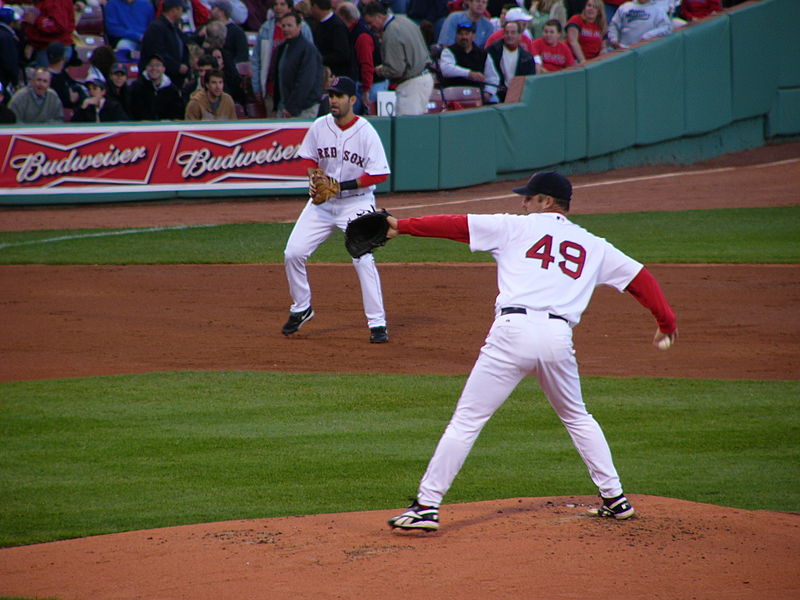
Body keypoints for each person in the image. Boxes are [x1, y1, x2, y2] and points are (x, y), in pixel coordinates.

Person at [385, 171, 678, 532]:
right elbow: (642, 280)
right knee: (577, 416)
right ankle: (615, 499)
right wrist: (666, 324)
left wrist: (401, 225)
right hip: (557, 339)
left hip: (512, 334)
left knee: (467, 421)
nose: (523, 203)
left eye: (529, 197)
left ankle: (427, 506)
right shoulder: (595, 245)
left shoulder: (514, 227)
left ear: (547, 201)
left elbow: (455, 225)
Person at [282, 75, 391, 343]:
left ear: (352, 100)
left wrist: (339, 186)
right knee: (292, 253)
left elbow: (379, 175)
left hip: (357, 203)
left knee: (362, 258)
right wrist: (315, 177)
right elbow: (308, 156)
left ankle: (378, 324)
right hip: (322, 205)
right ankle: (302, 307)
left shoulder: (365, 131)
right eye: (331, 95)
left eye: (339, 96)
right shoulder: (320, 126)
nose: (333, 100)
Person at [363, 2, 434, 117]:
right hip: (424, 78)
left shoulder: (391, 32)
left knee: (408, 127)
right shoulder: (405, 20)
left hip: (412, 85)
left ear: (379, 17)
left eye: (370, 23)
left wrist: (381, 70)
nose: (370, 27)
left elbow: (396, 70)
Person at [250, 0, 313, 117]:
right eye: (275, 4)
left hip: (295, 92)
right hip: (271, 90)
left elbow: (310, 61)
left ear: (290, 8)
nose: (278, 7)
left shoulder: (303, 28)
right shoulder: (265, 29)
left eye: (282, 4)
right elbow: (256, 60)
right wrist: (257, 87)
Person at [336, 1, 385, 113]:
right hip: (367, 83)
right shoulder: (354, 31)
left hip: (373, 85)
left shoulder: (361, 35)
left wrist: (366, 90)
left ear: (344, 16)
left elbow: (367, 64)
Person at [274, 11, 323, 118]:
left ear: (299, 27)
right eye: (283, 26)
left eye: (289, 25)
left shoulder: (308, 50)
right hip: (285, 107)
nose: (286, 29)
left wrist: (292, 108)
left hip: (304, 109)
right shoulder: (282, 48)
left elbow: (305, 82)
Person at [439, 21, 500, 104]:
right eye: (461, 34)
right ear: (456, 36)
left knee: (494, 99)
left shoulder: (483, 54)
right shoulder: (448, 51)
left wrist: (488, 93)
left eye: (467, 34)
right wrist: (469, 74)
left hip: (478, 94)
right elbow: (446, 69)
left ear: (473, 36)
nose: (464, 37)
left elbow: (493, 78)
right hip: (454, 95)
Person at [140, 0, 191, 89]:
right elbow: (157, 53)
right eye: (181, 10)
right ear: (174, 10)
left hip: (175, 80)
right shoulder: (156, 27)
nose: (182, 14)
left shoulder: (174, 28)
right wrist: (177, 67)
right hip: (158, 82)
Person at [309, 0, 358, 81]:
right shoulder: (320, 24)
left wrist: (320, 59)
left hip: (339, 78)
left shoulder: (337, 26)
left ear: (315, 7)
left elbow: (343, 54)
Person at [486, 20, 535, 102]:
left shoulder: (527, 58)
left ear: (520, 36)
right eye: (507, 32)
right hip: (497, 92)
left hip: (517, 95)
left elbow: (530, 82)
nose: (509, 36)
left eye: (513, 33)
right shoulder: (493, 51)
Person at [129, 53, 184, 119]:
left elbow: (177, 113)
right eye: (151, 65)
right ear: (146, 67)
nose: (154, 68)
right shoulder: (136, 87)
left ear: (163, 69)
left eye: (158, 65)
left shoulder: (172, 90)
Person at [23, 0, 76, 67]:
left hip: (52, 50)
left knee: (47, 76)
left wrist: (37, 20)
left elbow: (58, 25)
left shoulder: (57, 2)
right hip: (43, 47)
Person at [607, 0, 671, 50]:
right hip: (624, 50)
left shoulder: (657, 10)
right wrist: (613, 39)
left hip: (645, 50)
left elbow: (666, 27)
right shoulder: (625, 7)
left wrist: (648, 36)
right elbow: (614, 25)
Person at [0, 6, 21, 93]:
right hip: (3, 79)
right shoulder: (7, 37)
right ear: (11, 22)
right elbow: (10, 62)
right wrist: (15, 82)